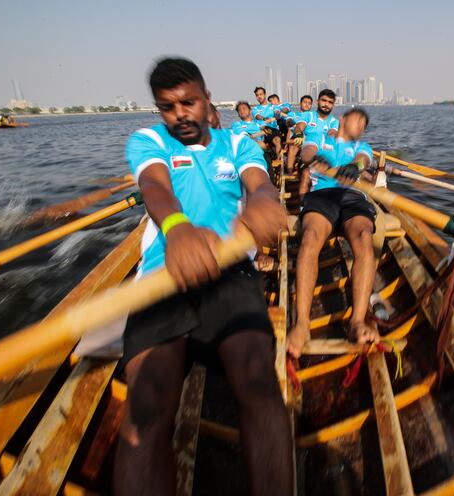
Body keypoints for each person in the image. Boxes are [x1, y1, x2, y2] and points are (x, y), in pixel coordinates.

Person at [115, 57, 293, 496]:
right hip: (165, 274)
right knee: (147, 404)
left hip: (230, 273)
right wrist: (177, 229)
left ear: (207, 97)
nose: (180, 115)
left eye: (189, 102)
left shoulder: (237, 143)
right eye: (168, 106)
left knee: (258, 379)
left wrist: (265, 200)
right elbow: (154, 187)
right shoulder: (147, 140)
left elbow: (260, 183)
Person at [287, 108, 379, 358]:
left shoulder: (363, 147)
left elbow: (364, 159)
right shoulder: (319, 137)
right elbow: (307, 151)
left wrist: (356, 165)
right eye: (357, 119)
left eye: (364, 123)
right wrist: (315, 159)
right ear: (342, 120)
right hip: (322, 195)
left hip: (353, 196)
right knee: (309, 239)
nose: (360, 125)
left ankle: (357, 321)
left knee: (363, 239)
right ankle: (302, 324)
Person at [284, 95, 314, 172]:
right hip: (296, 140)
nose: (307, 104)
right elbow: (289, 125)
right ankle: (290, 172)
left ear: (311, 106)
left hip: (309, 141)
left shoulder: (313, 117)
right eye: (305, 102)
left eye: (309, 103)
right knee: (293, 145)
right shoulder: (293, 115)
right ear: (300, 104)